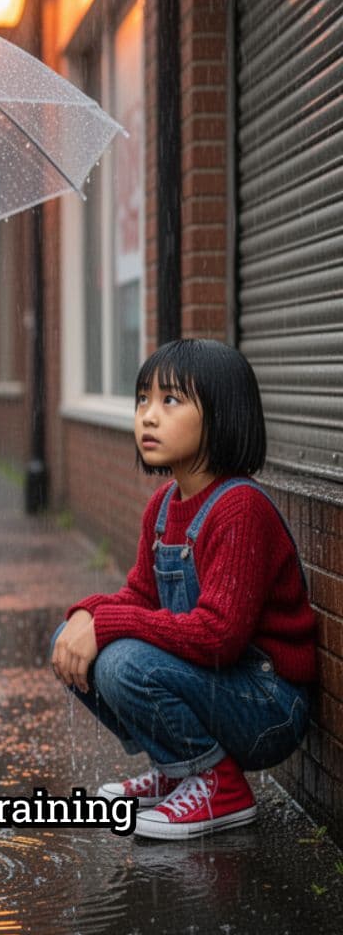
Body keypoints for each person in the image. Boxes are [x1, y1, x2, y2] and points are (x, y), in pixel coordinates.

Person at [51, 338, 316, 840]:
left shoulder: (240, 508)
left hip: (267, 705)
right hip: (221, 685)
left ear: (220, 414)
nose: (148, 416)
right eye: (142, 400)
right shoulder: (163, 505)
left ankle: (220, 786)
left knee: (122, 661)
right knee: (68, 640)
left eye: (170, 400)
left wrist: (106, 625)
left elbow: (220, 637)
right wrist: (87, 614)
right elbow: (138, 597)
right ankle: (179, 770)